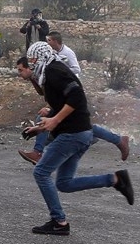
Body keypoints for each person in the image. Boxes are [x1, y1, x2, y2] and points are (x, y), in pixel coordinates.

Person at [18, 42, 134, 235]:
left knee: (41, 173)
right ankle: (115, 179)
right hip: (80, 133)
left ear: (41, 57)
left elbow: (77, 97)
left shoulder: (55, 71)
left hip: (73, 134)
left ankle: (59, 222)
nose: (31, 64)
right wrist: (41, 127)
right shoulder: (49, 72)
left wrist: (55, 120)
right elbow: (65, 103)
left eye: (33, 60)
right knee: (64, 183)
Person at [18, 32, 129, 165]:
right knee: (79, 125)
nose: (32, 63)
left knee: (78, 125)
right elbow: (46, 93)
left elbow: (75, 71)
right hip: (65, 94)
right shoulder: (43, 70)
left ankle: (39, 152)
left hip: (71, 91)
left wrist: (51, 106)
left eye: (32, 60)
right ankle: (115, 140)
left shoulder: (56, 64)